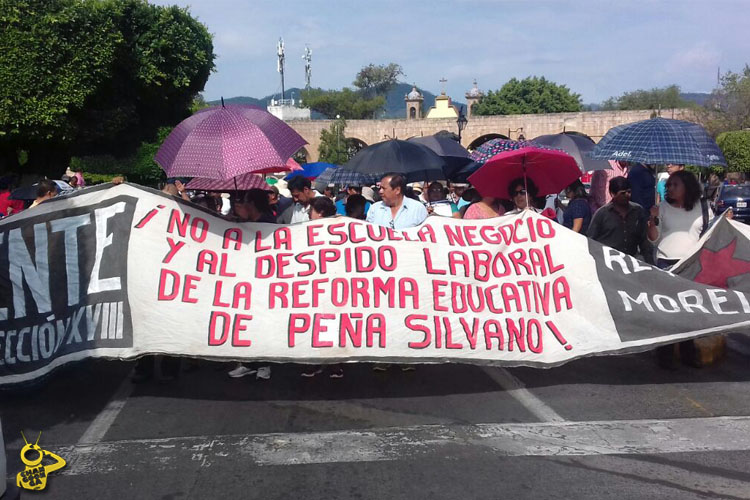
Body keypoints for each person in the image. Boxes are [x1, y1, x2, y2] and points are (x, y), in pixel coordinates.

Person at [367, 173, 426, 373]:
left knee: (407, 314)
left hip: (409, 272)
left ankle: (406, 355)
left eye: (383, 188)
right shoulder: (375, 210)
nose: (380, 191)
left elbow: (427, 239)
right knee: (383, 315)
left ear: (397, 189)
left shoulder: (418, 209)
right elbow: (366, 238)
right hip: (380, 273)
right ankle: (383, 355)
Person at [227, 188, 276, 380]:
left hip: (264, 280)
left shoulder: (268, 223)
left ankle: (264, 364)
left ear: (253, 204)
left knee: (262, 322)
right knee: (246, 322)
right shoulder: (245, 223)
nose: (242, 205)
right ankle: (248, 363)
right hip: (247, 278)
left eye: (246, 201)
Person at [301, 198, 345, 379]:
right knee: (313, 323)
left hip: (333, 284)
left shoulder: (341, 228)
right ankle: (315, 361)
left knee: (333, 323)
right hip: (313, 284)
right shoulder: (305, 231)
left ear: (319, 213)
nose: (308, 214)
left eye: (310, 211)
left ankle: (334, 363)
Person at [647, 170, 713, 269]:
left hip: (693, 262)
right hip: (665, 262)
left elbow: (712, 231)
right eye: (669, 185)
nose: (671, 188)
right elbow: (654, 239)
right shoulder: (661, 207)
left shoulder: (704, 206)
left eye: (675, 185)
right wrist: (652, 218)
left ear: (687, 186)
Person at [587, 177, 649, 257]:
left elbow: (644, 240)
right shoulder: (602, 214)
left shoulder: (638, 211)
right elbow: (591, 239)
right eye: (622, 193)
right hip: (608, 260)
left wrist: (648, 260)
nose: (627, 195)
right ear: (612, 194)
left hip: (632, 260)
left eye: (629, 192)